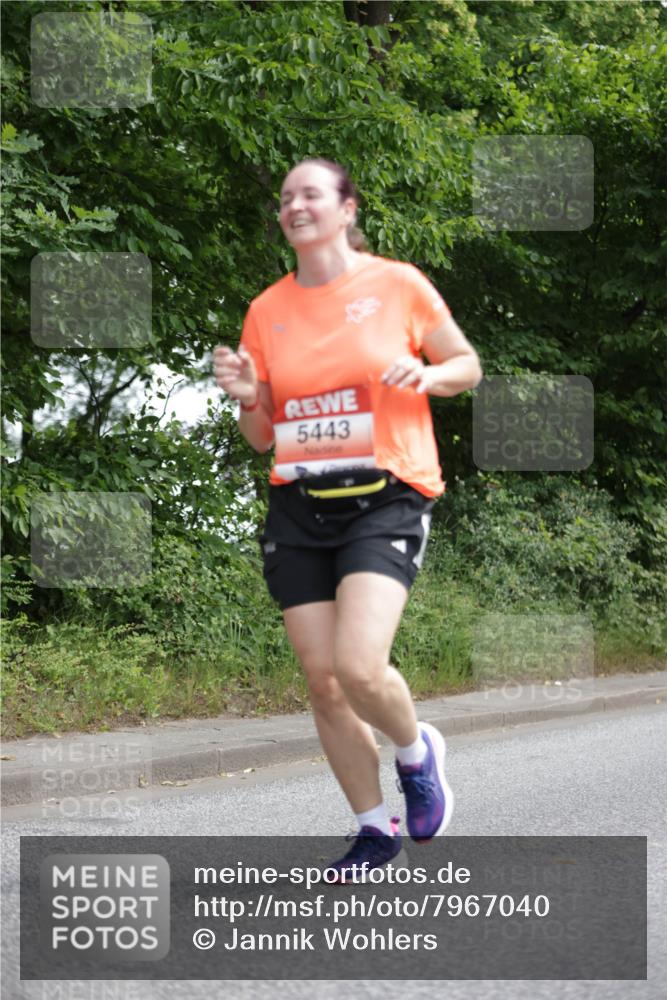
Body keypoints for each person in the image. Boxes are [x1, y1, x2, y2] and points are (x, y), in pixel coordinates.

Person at [213, 158, 482, 881]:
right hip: (299, 503)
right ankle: (371, 831)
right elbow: (264, 435)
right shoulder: (266, 309)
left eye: (310, 194)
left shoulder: (396, 284)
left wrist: (427, 375)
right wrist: (246, 395)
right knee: (323, 680)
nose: (294, 205)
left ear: (345, 208)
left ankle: (414, 753)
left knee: (359, 667)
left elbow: (466, 365)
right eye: (285, 198)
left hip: (386, 491)